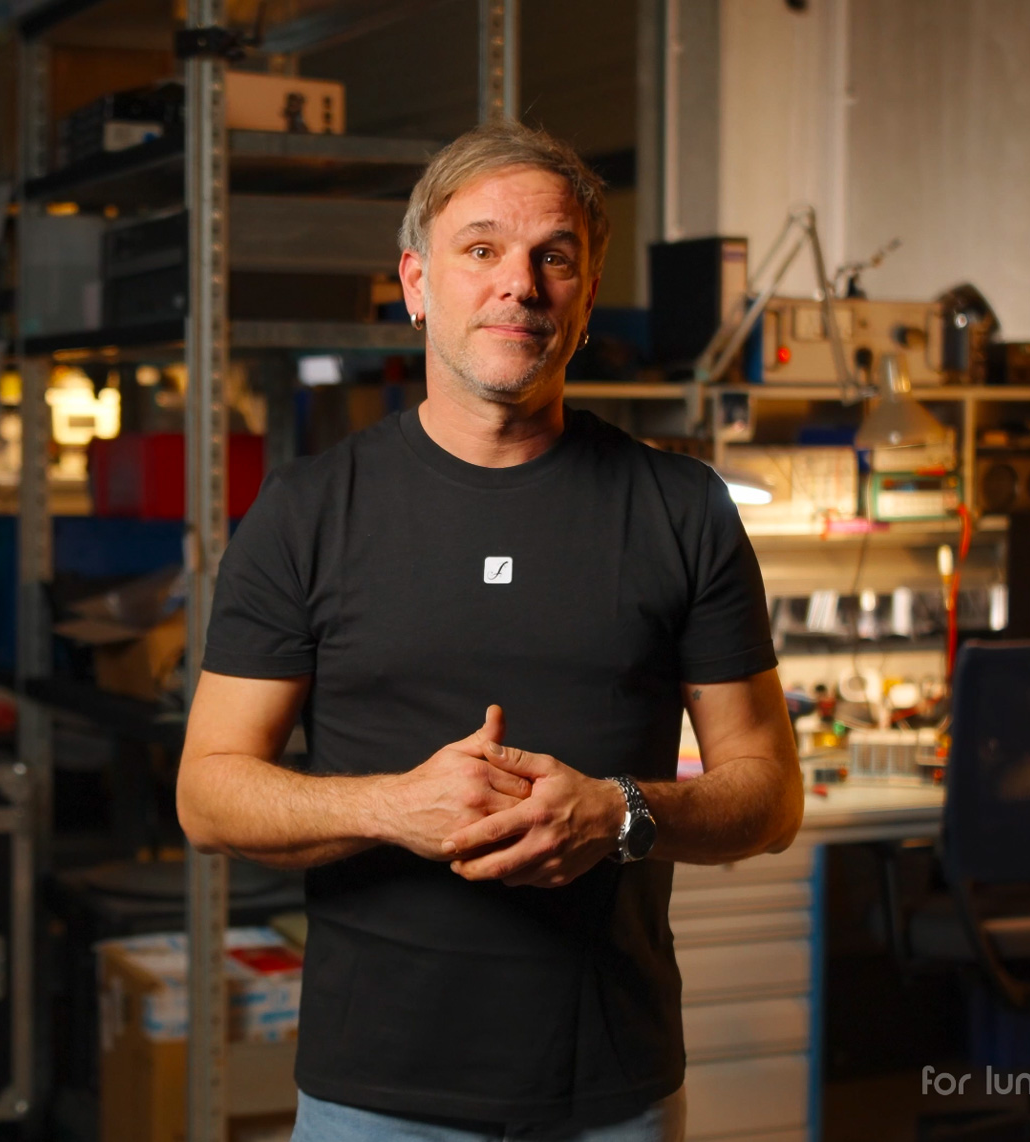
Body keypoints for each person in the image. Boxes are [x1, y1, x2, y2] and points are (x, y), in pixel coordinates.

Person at [175, 120, 804, 1142]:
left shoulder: (682, 509)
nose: (519, 284)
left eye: (554, 256)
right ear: (416, 283)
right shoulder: (307, 512)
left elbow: (770, 794)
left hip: (608, 1090)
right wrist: (395, 806)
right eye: (481, 248)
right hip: (372, 1095)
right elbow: (206, 793)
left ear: (585, 298)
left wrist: (619, 813)